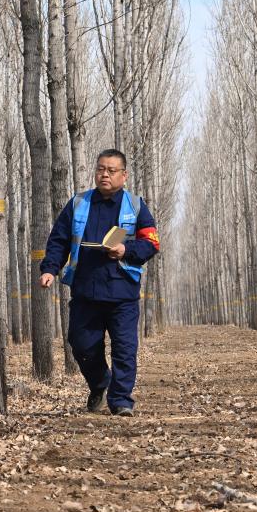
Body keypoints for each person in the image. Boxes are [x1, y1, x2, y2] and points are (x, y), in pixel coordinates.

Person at [38, 149, 160, 417]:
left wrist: (126, 250)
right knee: (81, 344)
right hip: (86, 289)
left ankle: (121, 401)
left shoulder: (136, 206)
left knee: (125, 349)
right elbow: (58, 239)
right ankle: (100, 382)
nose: (105, 174)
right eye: (101, 169)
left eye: (111, 170)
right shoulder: (78, 203)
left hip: (122, 291)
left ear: (124, 175)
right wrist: (50, 269)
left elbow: (151, 243)